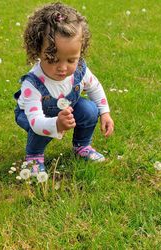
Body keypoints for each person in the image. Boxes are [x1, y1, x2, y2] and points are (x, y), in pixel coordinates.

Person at [14, 2, 114, 175]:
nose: (62, 68)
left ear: (80, 53)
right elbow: (37, 122)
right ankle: (34, 156)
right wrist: (56, 124)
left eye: (71, 60)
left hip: (64, 106)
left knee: (90, 109)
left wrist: (105, 112)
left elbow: (95, 88)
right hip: (33, 115)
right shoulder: (33, 84)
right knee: (40, 128)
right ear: (38, 50)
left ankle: (82, 145)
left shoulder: (80, 71)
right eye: (53, 59)